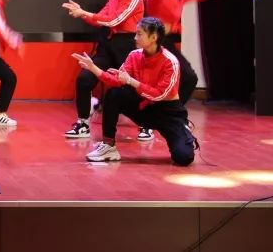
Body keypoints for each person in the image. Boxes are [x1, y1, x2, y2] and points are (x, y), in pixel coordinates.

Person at [73, 17, 197, 166]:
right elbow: (117, 80)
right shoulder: (134, 55)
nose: (135, 37)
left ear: (153, 37)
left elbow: (159, 95)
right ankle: (108, 146)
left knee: (184, 158)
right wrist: (93, 68)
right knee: (114, 94)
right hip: (143, 107)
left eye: (139, 34)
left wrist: (131, 81)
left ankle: (183, 130)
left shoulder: (170, 62)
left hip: (167, 113)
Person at [61, 0, 144, 138]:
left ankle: (146, 125)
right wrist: (82, 13)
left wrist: (84, 13)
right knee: (84, 79)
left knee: (131, 87)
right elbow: (101, 18)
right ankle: (83, 124)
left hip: (127, 47)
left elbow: (114, 20)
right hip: (109, 45)